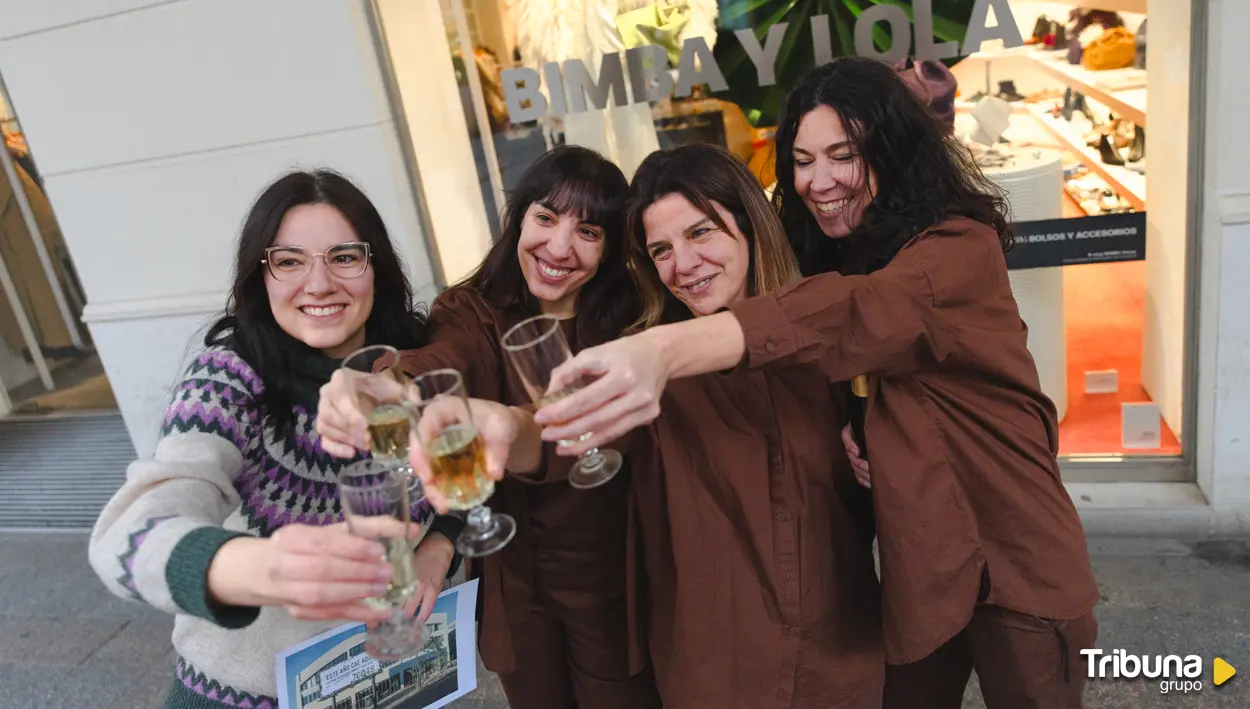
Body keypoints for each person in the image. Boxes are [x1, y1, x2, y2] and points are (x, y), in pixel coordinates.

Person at [534, 56, 1101, 709]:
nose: (818, 180)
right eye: (802, 160)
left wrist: (660, 350)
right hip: (925, 571)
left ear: (892, 150)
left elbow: (852, 315)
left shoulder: (956, 247)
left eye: (843, 155)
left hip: (1015, 559)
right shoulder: (841, 250)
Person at [88, 170, 464, 709]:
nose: (319, 283)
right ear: (260, 277)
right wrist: (265, 569)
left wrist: (439, 542)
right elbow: (134, 532)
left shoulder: (416, 362)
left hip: (394, 680)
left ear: (375, 265)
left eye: (344, 257)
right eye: (289, 262)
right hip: (244, 693)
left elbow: (474, 472)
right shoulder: (229, 380)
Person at [316, 146, 663, 709]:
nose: (559, 247)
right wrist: (387, 385)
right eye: (546, 217)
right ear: (518, 218)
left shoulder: (631, 324)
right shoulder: (473, 311)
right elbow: (442, 359)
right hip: (515, 580)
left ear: (610, 248)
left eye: (588, 231)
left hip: (613, 577)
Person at [620, 143, 883, 707]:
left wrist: (880, 452)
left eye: (700, 233)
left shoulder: (825, 329)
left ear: (750, 225)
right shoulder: (647, 366)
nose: (682, 265)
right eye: (661, 250)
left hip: (840, 658)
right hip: (719, 674)